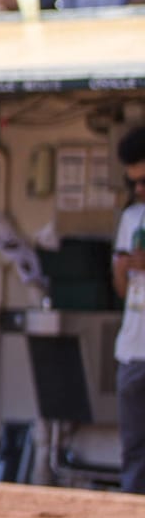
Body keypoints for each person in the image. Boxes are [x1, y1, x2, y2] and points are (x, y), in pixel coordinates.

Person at [110, 127, 145, 494]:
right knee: (133, 449)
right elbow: (121, 291)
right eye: (132, 181)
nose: (138, 189)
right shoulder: (132, 218)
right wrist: (122, 270)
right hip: (132, 349)